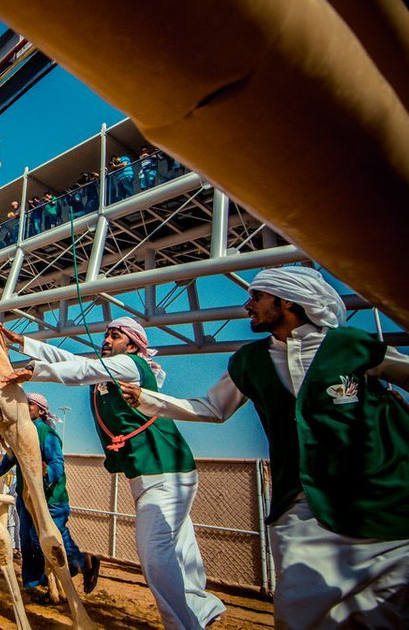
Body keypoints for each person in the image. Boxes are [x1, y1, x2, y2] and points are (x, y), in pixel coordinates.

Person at [119, 266, 409, 628]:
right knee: (303, 615)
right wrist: (148, 399)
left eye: (256, 297)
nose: (247, 305)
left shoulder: (351, 345)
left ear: (286, 301)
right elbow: (213, 408)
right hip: (303, 510)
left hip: (388, 509)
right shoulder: (250, 360)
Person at [1, 318, 225, 629]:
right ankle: (202, 608)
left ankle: (185, 625)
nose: (107, 339)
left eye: (115, 335)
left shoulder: (130, 365)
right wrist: (22, 342)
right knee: (180, 548)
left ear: (133, 346)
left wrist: (35, 371)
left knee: (156, 558)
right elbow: (75, 362)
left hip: (162, 470)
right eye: (106, 333)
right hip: (159, 472)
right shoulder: (110, 370)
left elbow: (81, 371)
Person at [0, 393, 100, 595]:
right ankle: (35, 582)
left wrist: (48, 473)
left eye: (30, 404)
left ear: (41, 410)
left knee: (52, 540)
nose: (25, 407)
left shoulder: (47, 434)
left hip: (50, 498)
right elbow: (11, 457)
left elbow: (57, 463)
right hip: (27, 498)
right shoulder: (21, 433)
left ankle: (84, 563)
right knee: (27, 540)